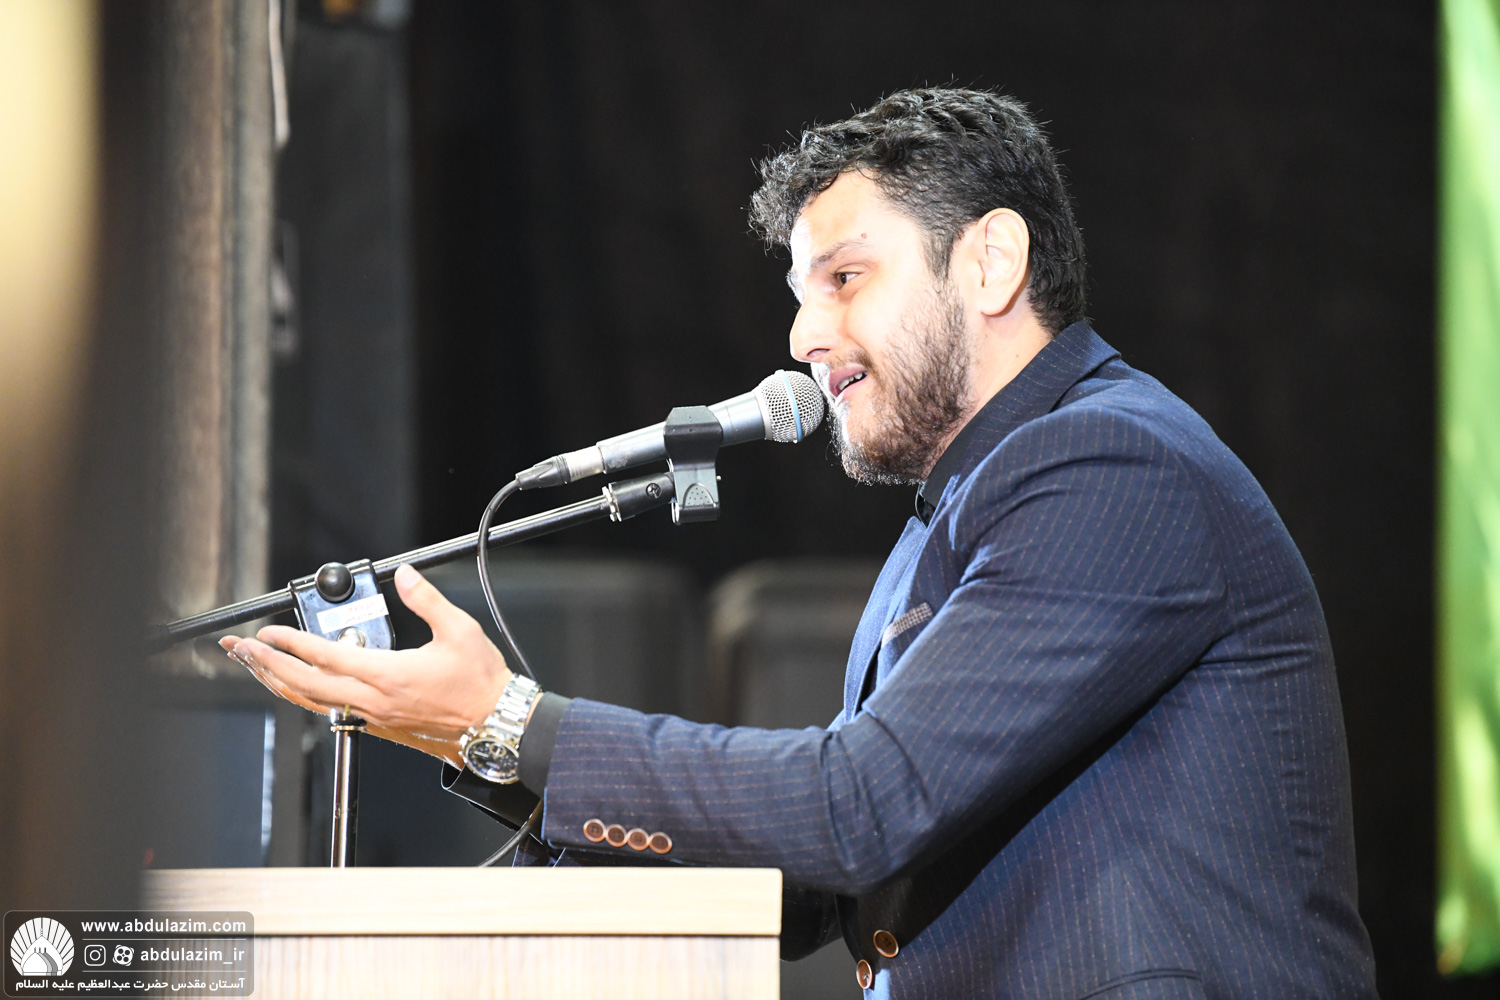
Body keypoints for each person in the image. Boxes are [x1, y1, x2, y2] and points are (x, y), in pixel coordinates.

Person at [222, 88, 1379, 998]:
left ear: (991, 261)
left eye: (845, 277)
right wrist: (489, 746)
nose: (802, 333)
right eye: (800, 289)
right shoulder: (959, 513)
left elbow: (859, 806)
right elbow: (817, 885)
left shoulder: (1113, 465)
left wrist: (517, 722)